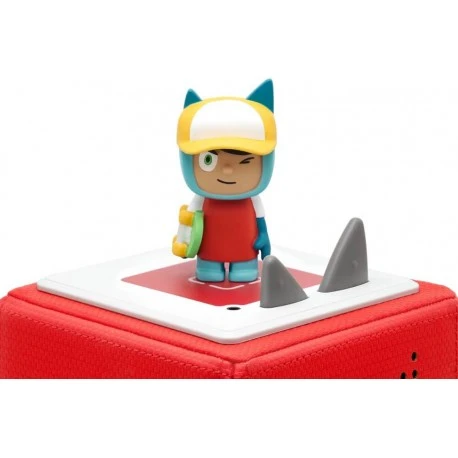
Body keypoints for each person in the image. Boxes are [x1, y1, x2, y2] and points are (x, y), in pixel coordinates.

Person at [172, 80, 277, 282]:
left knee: (244, 273)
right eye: (208, 160)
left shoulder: (253, 200)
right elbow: (188, 222)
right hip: (209, 251)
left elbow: (260, 221)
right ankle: (209, 268)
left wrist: (263, 236)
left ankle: (244, 268)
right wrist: (184, 243)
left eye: (245, 162)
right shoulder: (200, 200)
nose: (228, 170)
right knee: (209, 271)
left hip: (245, 250)